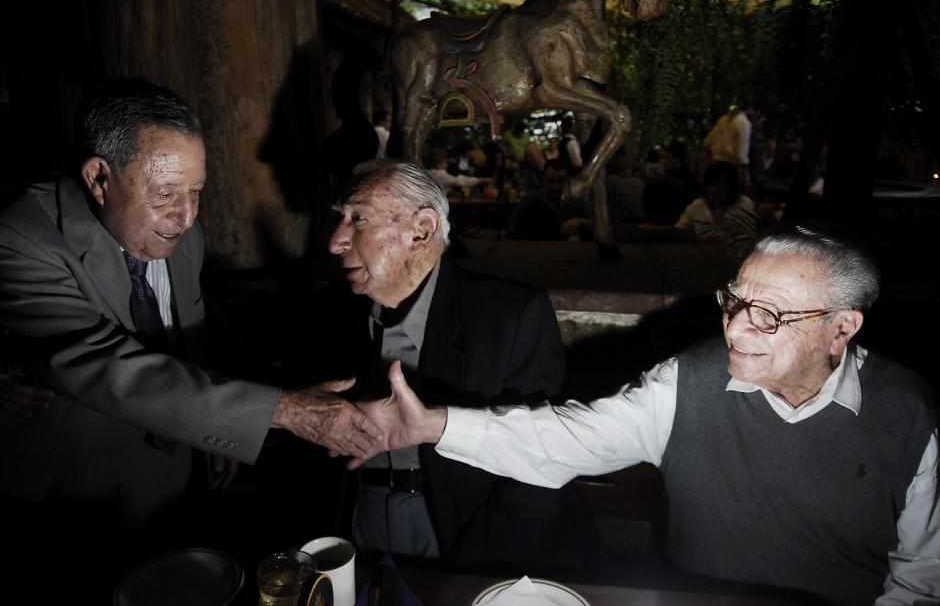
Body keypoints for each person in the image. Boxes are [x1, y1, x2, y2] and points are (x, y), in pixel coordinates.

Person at [352, 221, 940, 606]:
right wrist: (433, 425)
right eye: (734, 301)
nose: (735, 327)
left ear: (842, 328)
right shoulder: (688, 381)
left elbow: (920, 578)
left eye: (771, 315)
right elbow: (569, 437)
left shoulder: (907, 414)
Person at [0, 79, 381, 600]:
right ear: (98, 177)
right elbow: (111, 367)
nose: (187, 216)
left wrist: (211, 434)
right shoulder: (22, 235)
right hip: (70, 503)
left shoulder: (182, 236)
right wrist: (285, 411)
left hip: (176, 484)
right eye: (164, 195)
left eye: (196, 191)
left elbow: (186, 343)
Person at [320, 159, 601, 569]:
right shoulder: (331, 312)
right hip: (354, 522)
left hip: (466, 532)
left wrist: (473, 575)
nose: (336, 241)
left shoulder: (508, 316)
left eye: (358, 219)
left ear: (422, 230)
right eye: (340, 219)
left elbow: (534, 462)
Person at [676, 160, 758, 244]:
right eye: (711, 185)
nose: (714, 190)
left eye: (720, 185)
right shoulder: (697, 205)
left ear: (731, 187)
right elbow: (678, 232)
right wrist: (699, 239)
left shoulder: (743, 204)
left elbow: (749, 237)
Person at [508, 159, 591, 240]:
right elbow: (511, 230)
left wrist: (580, 222)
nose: (555, 186)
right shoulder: (529, 200)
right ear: (542, 180)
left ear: (567, 181)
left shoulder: (576, 201)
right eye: (550, 181)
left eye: (560, 181)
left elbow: (595, 225)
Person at [703, 101, 755, 176]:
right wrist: (744, 167)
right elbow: (741, 150)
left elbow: (708, 140)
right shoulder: (743, 123)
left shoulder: (723, 119)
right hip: (730, 165)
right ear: (750, 109)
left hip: (716, 160)